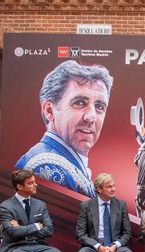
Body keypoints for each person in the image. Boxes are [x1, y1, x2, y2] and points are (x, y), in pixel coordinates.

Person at [15, 60, 114, 198]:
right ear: (49, 110)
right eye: (79, 103)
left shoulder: (67, 162)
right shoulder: (47, 167)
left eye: (100, 106)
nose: (91, 116)